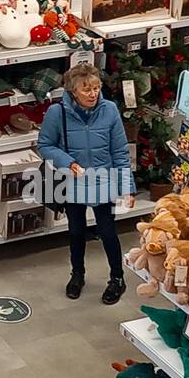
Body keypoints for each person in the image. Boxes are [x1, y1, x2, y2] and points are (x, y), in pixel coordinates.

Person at [37, 63, 135, 305]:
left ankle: (117, 278)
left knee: (108, 231)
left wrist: (127, 187)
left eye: (96, 88)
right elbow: (45, 145)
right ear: (73, 91)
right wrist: (67, 162)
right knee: (76, 231)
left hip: (104, 179)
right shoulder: (56, 113)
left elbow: (120, 151)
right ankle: (77, 274)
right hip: (73, 181)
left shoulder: (110, 110)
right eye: (86, 89)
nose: (92, 94)